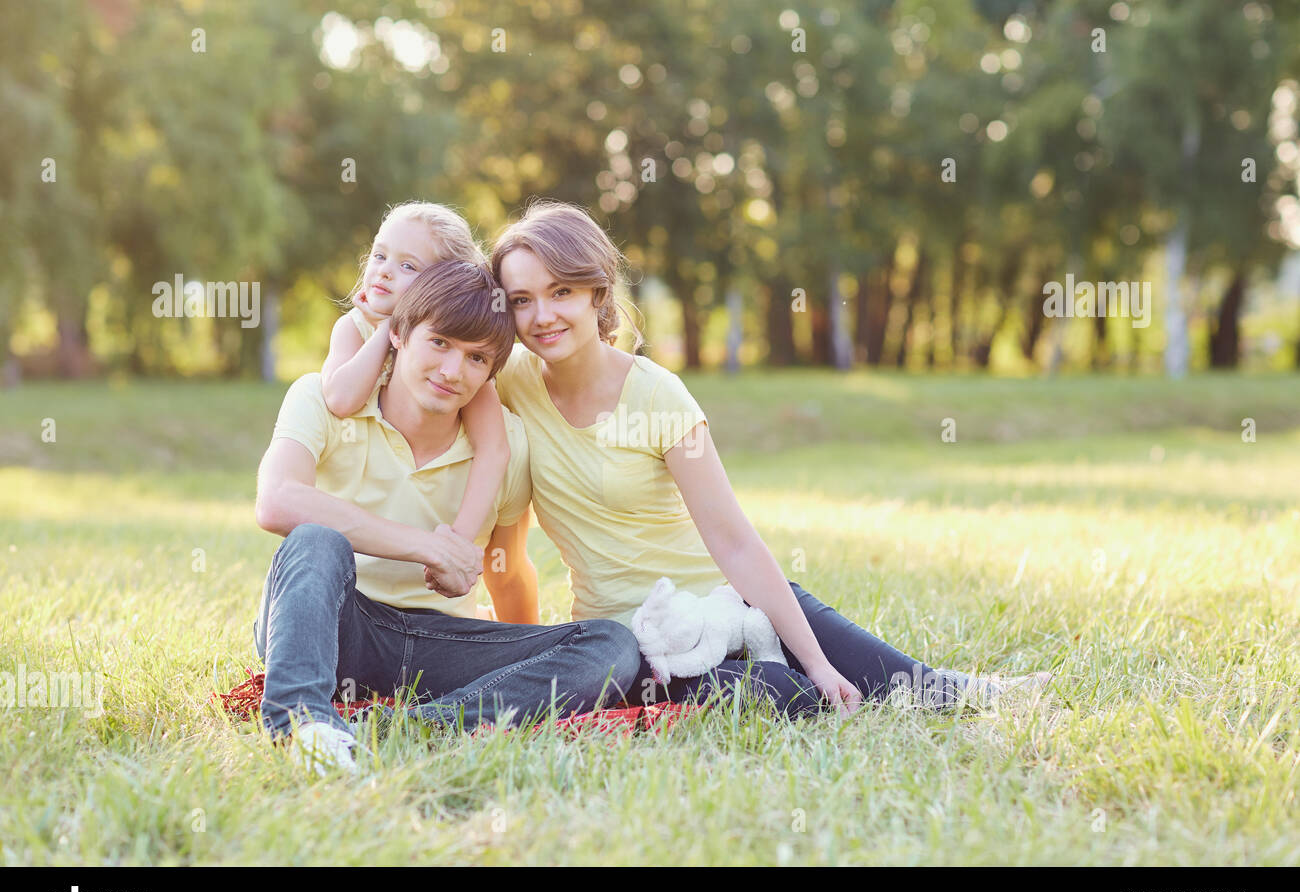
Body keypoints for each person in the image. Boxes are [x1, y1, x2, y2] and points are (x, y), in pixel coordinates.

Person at [486, 201, 1050, 718]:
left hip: (723, 602)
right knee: (778, 697)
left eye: (561, 292)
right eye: (521, 300)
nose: (542, 316)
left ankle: (967, 690)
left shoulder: (658, 396)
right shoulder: (510, 382)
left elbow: (733, 541)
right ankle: (792, 681)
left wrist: (822, 660)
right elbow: (425, 357)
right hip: (630, 643)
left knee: (902, 681)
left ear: (597, 293)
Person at [252, 257, 642, 775]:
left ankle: (409, 727)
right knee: (316, 541)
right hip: (338, 624)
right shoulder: (321, 399)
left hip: (441, 643)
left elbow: (506, 566)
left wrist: (526, 659)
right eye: (439, 343)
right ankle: (303, 726)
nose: (452, 372)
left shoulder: (506, 445)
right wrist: (428, 546)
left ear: (491, 372)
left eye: (477, 358)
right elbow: (277, 500)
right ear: (399, 334)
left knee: (610, 646)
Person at [321, 201, 511, 545]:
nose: (385, 271)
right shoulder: (353, 328)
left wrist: (458, 540)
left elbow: (494, 451)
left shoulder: (462, 363)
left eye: (407, 265)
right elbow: (341, 398)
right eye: (379, 256)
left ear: (446, 282)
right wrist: (389, 328)